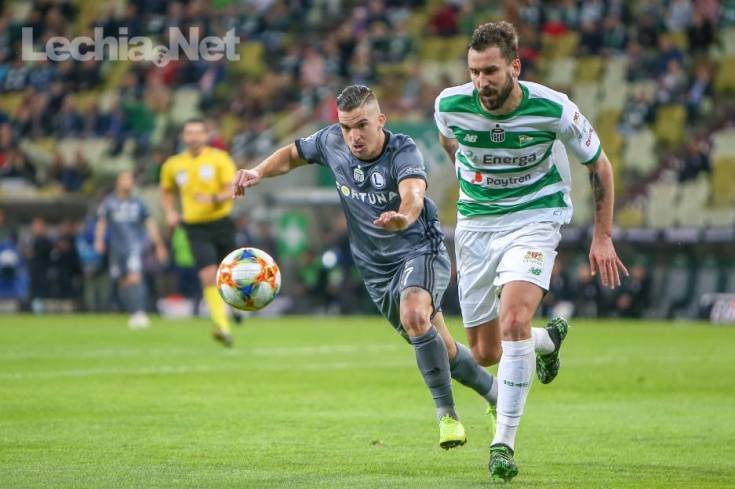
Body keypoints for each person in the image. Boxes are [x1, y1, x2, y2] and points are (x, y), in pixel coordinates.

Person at [233, 84, 498, 449]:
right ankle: (496, 394)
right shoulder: (331, 141)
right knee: (443, 349)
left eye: (361, 125)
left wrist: (402, 218)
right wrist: (258, 171)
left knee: (414, 316)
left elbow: (413, 195)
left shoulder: (402, 150)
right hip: (375, 268)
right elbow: (293, 153)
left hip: (418, 248)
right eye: (346, 127)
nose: (353, 136)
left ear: (380, 121)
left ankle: (447, 416)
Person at [434, 22, 628, 482]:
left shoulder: (553, 108)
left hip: (535, 217)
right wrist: (471, 177)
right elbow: (448, 141)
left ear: (515, 67)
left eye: (491, 71)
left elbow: (599, 165)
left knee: (514, 319)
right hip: (476, 224)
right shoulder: (449, 105)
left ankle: (502, 444)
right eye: (474, 72)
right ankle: (548, 341)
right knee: (485, 352)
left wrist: (602, 236)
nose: (481, 82)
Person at [160, 119, 239, 346]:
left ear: (206, 136)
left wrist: (212, 199)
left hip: (221, 222)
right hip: (195, 226)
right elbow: (166, 191)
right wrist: (170, 212)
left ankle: (236, 308)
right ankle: (221, 325)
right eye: (189, 133)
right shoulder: (173, 165)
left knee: (229, 274)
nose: (193, 137)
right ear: (183, 137)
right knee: (207, 275)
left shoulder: (219, 159)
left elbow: (231, 189)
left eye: (198, 132)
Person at [95, 171, 167, 328]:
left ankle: (139, 312)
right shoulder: (109, 202)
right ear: (118, 182)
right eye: (125, 180)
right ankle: (132, 311)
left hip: (134, 246)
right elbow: (102, 222)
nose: (128, 183)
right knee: (123, 281)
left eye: (130, 180)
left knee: (136, 277)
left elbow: (149, 223)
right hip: (116, 248)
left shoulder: (138, 203)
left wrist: (159, 245)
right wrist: (99, 240)